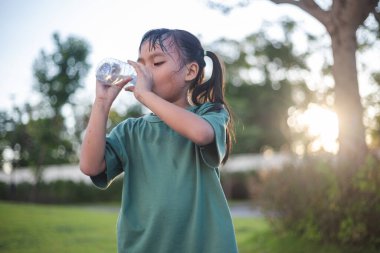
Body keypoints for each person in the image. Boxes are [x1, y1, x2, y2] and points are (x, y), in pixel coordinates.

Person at [80, 28, 238, 253]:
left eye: (157, 63)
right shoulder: (131, 131)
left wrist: (145, 95)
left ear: (190, 71)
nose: (144, 72)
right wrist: (102, 103)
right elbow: (89, 165)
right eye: (141, 64)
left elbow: (201, 134)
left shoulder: (210, 112)